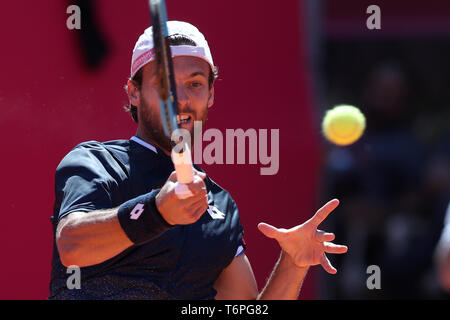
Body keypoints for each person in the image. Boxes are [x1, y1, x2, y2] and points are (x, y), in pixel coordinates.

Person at [48, 21, 347, 300]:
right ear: (134, 92)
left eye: (195, 84)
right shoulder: (95, 161)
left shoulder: (218, 204)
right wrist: (157, 211)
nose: (181, 97)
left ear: (211, 95)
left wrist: (292, 264)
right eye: (166, 84)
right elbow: (72, 245)